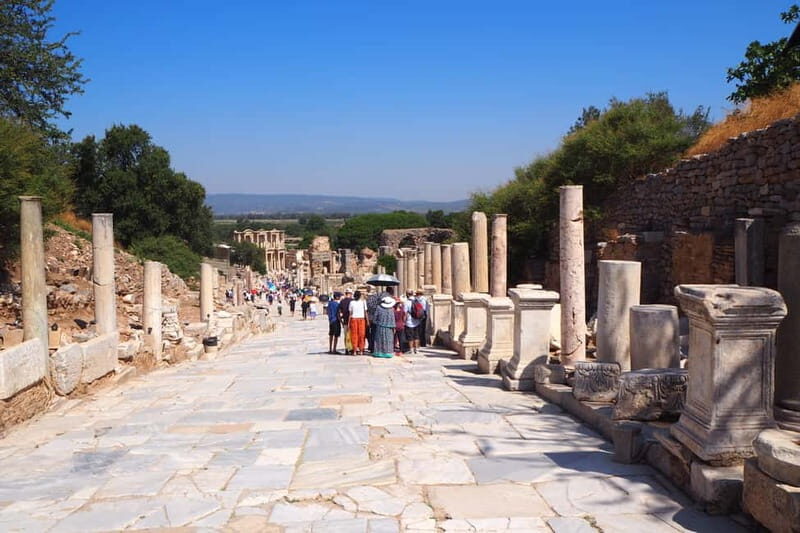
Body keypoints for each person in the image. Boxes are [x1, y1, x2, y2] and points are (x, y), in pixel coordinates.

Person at [348, 290, 369, 355]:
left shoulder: (352, 302)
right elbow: (365, 312)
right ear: (360, 296)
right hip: (361, 319)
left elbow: (350, 313)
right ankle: (361, 350)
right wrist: (367, 321)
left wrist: (348, 323)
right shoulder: (363, 302)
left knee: (354, 335)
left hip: (354, 319)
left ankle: (355, 350)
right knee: (361, 335)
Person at [403, 289, 421, 354]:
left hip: (409, 322)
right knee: (417, 336)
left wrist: (404, 321)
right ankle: (417, 349)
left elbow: (405, 313)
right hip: (417, 321)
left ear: (407, 294)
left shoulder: (406, 302)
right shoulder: (417, 300)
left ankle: (411, 349)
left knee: (410, 336)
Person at [339, 289, 353, 354]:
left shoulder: (342, 301)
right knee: (352, 335)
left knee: (346, 335)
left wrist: (341, 321)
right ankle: (351, 348)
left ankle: (347, 348)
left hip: (345, 321)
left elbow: (339, 312)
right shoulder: (352, 301)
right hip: (352, 321)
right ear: (350, 294)